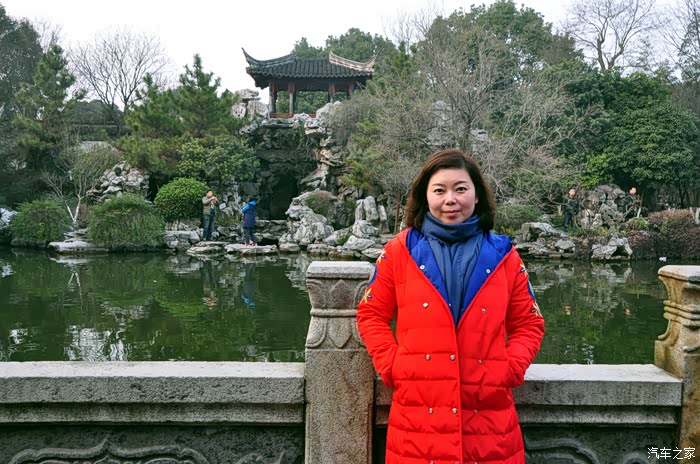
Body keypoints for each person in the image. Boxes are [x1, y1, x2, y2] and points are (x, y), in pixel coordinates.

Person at [356, 149, 545, 464]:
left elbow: (529, 323)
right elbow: (371, 314)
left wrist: (510, 368)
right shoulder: (399, 252)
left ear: (477, 194)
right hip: (417, 424)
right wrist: (393, 366)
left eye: (460, 188)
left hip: (490, 427)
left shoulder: (504, 256)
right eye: (439, 190)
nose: (450, 199)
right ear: (425, 196)